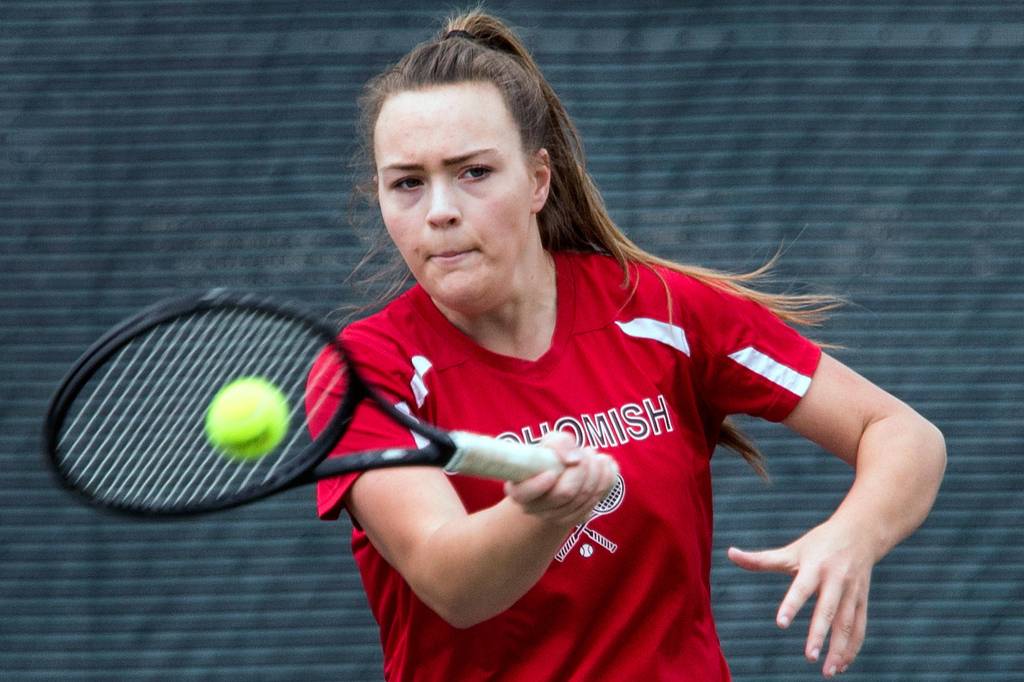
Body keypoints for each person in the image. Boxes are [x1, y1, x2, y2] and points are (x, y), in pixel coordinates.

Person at [306, 10, 946, 681]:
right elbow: (454, 584)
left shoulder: (663, 314)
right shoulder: (363, 370)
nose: (439, 210)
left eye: (473, 172)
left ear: (537, 181)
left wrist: (854, 535)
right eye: (407, 182)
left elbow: (902, 433)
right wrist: (543, 510)